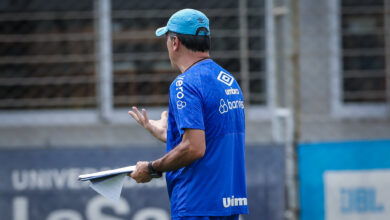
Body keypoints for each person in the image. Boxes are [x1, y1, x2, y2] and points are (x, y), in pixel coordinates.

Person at [128, 8, 248, 220]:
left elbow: (194, 148)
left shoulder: (184, 84)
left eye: (167, 39)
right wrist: (169, 136)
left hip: (196, 204)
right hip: (228, 204)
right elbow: (209, 138)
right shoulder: (228, 80)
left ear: (175, 42)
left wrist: (151, 168)